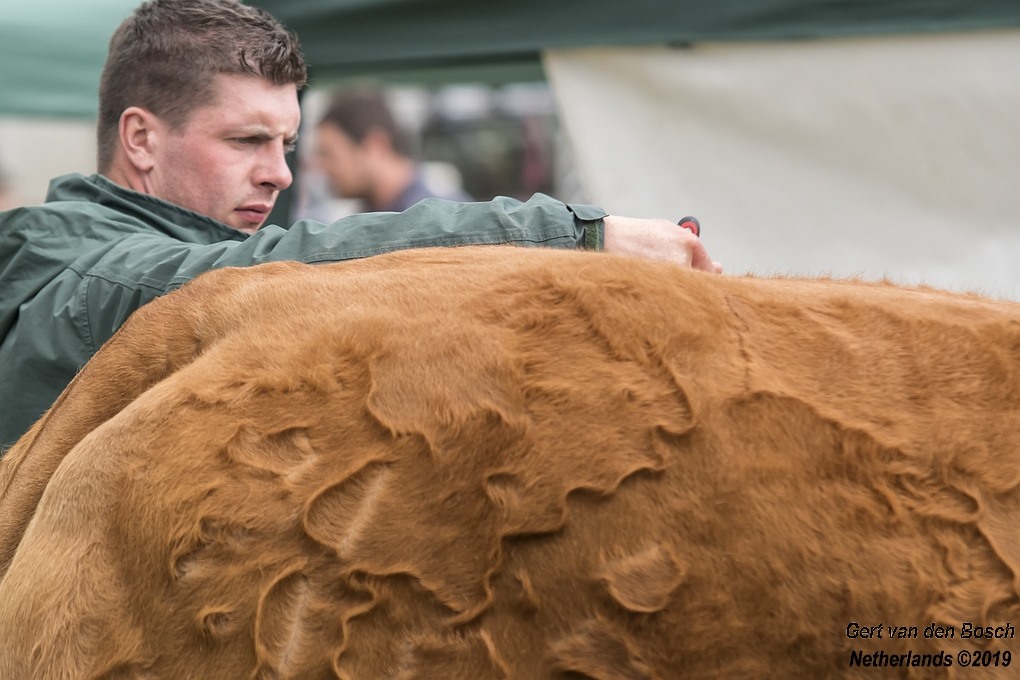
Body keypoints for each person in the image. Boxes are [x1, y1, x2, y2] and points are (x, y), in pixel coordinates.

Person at [0, 0, 720, 451]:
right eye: (247, 140)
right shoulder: (86, 278)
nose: (280, 174)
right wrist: (571, 237)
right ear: (142, 139)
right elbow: (279, 269)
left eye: (286, 144)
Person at [315, 88, 471, 212]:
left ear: (375, 146)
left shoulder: (439, 217)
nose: (322, 167)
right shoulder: (374, 214)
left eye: (329, 154)